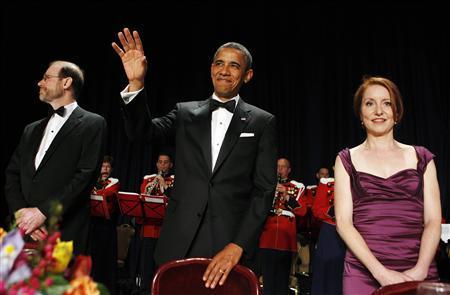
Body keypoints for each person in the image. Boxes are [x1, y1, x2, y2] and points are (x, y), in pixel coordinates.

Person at [112, 28, 277, 289]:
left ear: (248, 75)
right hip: (178, 243)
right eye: (219, 64)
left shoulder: (262, 121)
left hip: (230, 248)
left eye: (234, 66)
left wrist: (239, 245)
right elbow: (142, 133)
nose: (224, 71)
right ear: (211, 69)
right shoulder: (185, 112)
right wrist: (136, 84)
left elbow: (264, 190)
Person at [334, 76, 441, 294]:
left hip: (418, 267)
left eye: (387, 103)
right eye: (369, 103)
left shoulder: (422, 157)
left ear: (397, 112)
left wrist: (420, 271)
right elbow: (344, 223)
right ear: (361, 114)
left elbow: (433, 220)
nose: (378, 111)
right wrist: (381, 273)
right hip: (363, 272)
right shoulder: (346, 159)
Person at [5, 60, 107, 255]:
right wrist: (22, 216)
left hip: (64, 234)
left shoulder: (93, 124)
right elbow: (12, 175)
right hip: (23, 232)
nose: (39, 83)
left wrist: (42, 212)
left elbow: (84, 177)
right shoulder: (31, 129)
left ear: (66, 82)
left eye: (46, 78)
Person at [259, 158, 306, 295]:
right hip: (267, 236)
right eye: (278, 166)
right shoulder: (267, 185)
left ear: (289, 170)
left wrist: (286, 196)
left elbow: (302, 211)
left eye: (283, 166)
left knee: (282, 279)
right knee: (267, 278)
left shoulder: (297, 187)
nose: (280, 169)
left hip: (286, 238)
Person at [132, 153, 174, 294]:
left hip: (165, 231)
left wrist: (164, 186)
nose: (162, 165)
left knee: (162, 267)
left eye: (166, 162)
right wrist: (148, 188)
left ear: (170, 165)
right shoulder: (147, 179)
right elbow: (142, 199)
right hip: (148, 229)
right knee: (146, 268)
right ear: (157, 164)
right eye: (160, 162)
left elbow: (174, 202)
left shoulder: (174, 180)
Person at [311, 172, 346, 295]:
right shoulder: (327, 184)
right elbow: (317, 210)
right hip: (330, 232)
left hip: (352, 232)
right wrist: (335, 210)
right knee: (326, 274)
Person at [90, 155, 120, 295]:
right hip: (92, 225)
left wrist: (95, 187)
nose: (105, 169)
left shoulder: (114, 182)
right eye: (103, 166)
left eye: (108, 167)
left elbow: (107, 193)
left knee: (105, 262)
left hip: (106, 226)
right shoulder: (93, 180)